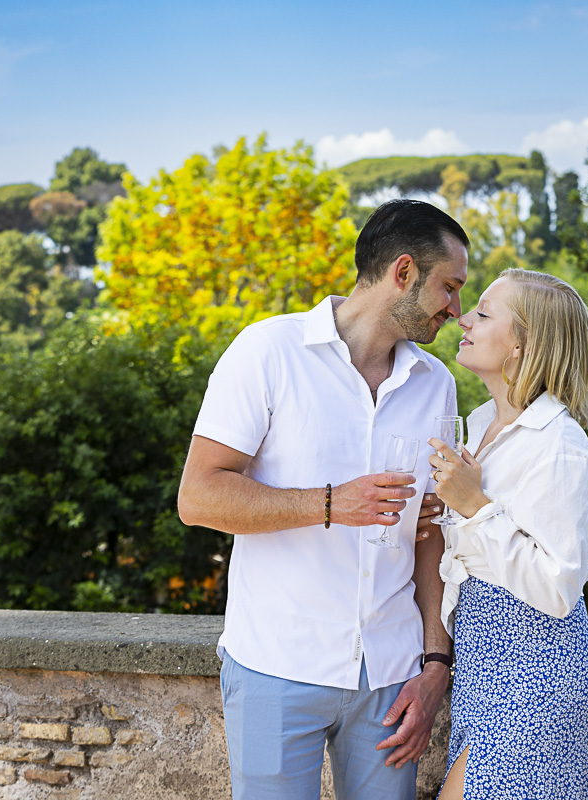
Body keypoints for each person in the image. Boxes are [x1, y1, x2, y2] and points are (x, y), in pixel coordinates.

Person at [178, 199, 469, 799]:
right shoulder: (267, 352)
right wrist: (331, 504)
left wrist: (435, 665)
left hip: (391, 675)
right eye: (450, 287)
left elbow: (430, 534)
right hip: (277, 664)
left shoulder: (436, 384)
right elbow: (199, 496)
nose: (457, 311)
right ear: (405, 272)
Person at [425, 269, 588, 799]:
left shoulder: (561, 447)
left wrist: (474, 506)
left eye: (483, 314)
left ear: (522, 344)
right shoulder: (483, 425)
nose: (463, 318)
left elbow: (557, 585)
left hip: (538, 681)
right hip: (484, 676)